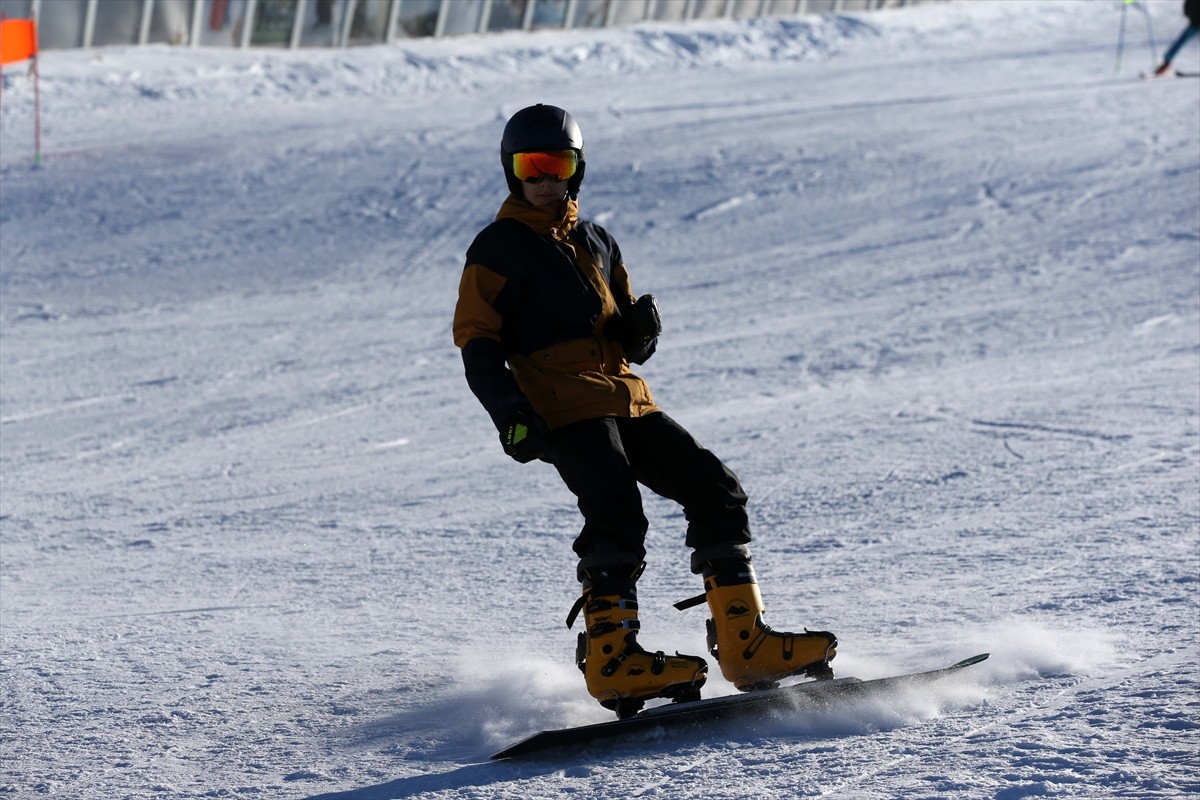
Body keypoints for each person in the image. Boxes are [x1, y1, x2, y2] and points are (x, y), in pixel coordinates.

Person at [452, 104, 837, 718]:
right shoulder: (498, 247)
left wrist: (639, 332)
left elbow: (625, 334)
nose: (545, 179)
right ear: (511, 171)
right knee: (616, 511)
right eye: (531, 166)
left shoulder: (597, 241)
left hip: (624, 397)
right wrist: (510, 413)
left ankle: (747, 646)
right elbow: (477, 341)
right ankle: (613, 661)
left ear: (577, 169)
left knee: (715, 489)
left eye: (558, 165)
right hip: (560, 405)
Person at [1154, 0, 1200, 76]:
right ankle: (1165, 64)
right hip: (1194, 24)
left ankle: (1166, 63)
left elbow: (1186, 9)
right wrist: (1190, 16)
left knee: (1180, 42)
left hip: (1194, 23)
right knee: (1180, 42)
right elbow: (1186, 8)